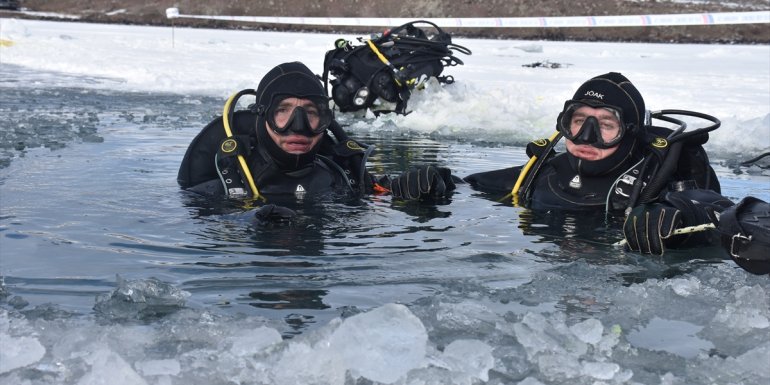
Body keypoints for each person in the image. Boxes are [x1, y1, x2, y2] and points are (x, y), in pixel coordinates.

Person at [464, 72, 769, 274]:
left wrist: (684, 212)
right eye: (579, 121)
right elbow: (469, 187)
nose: (586, 136)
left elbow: (724, 211)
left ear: (630, 132)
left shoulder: (657, 179)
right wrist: (434, 184)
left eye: (606, 126)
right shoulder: (541, 175)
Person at [178, 61, 456, 206]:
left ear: (326, 119)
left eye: (311, 113)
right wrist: (245, 224)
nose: (298, 127)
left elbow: (387, 193)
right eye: (283, 111)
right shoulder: (224, 185)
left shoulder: (344, 176)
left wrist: (438, 183)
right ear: (262, 116)